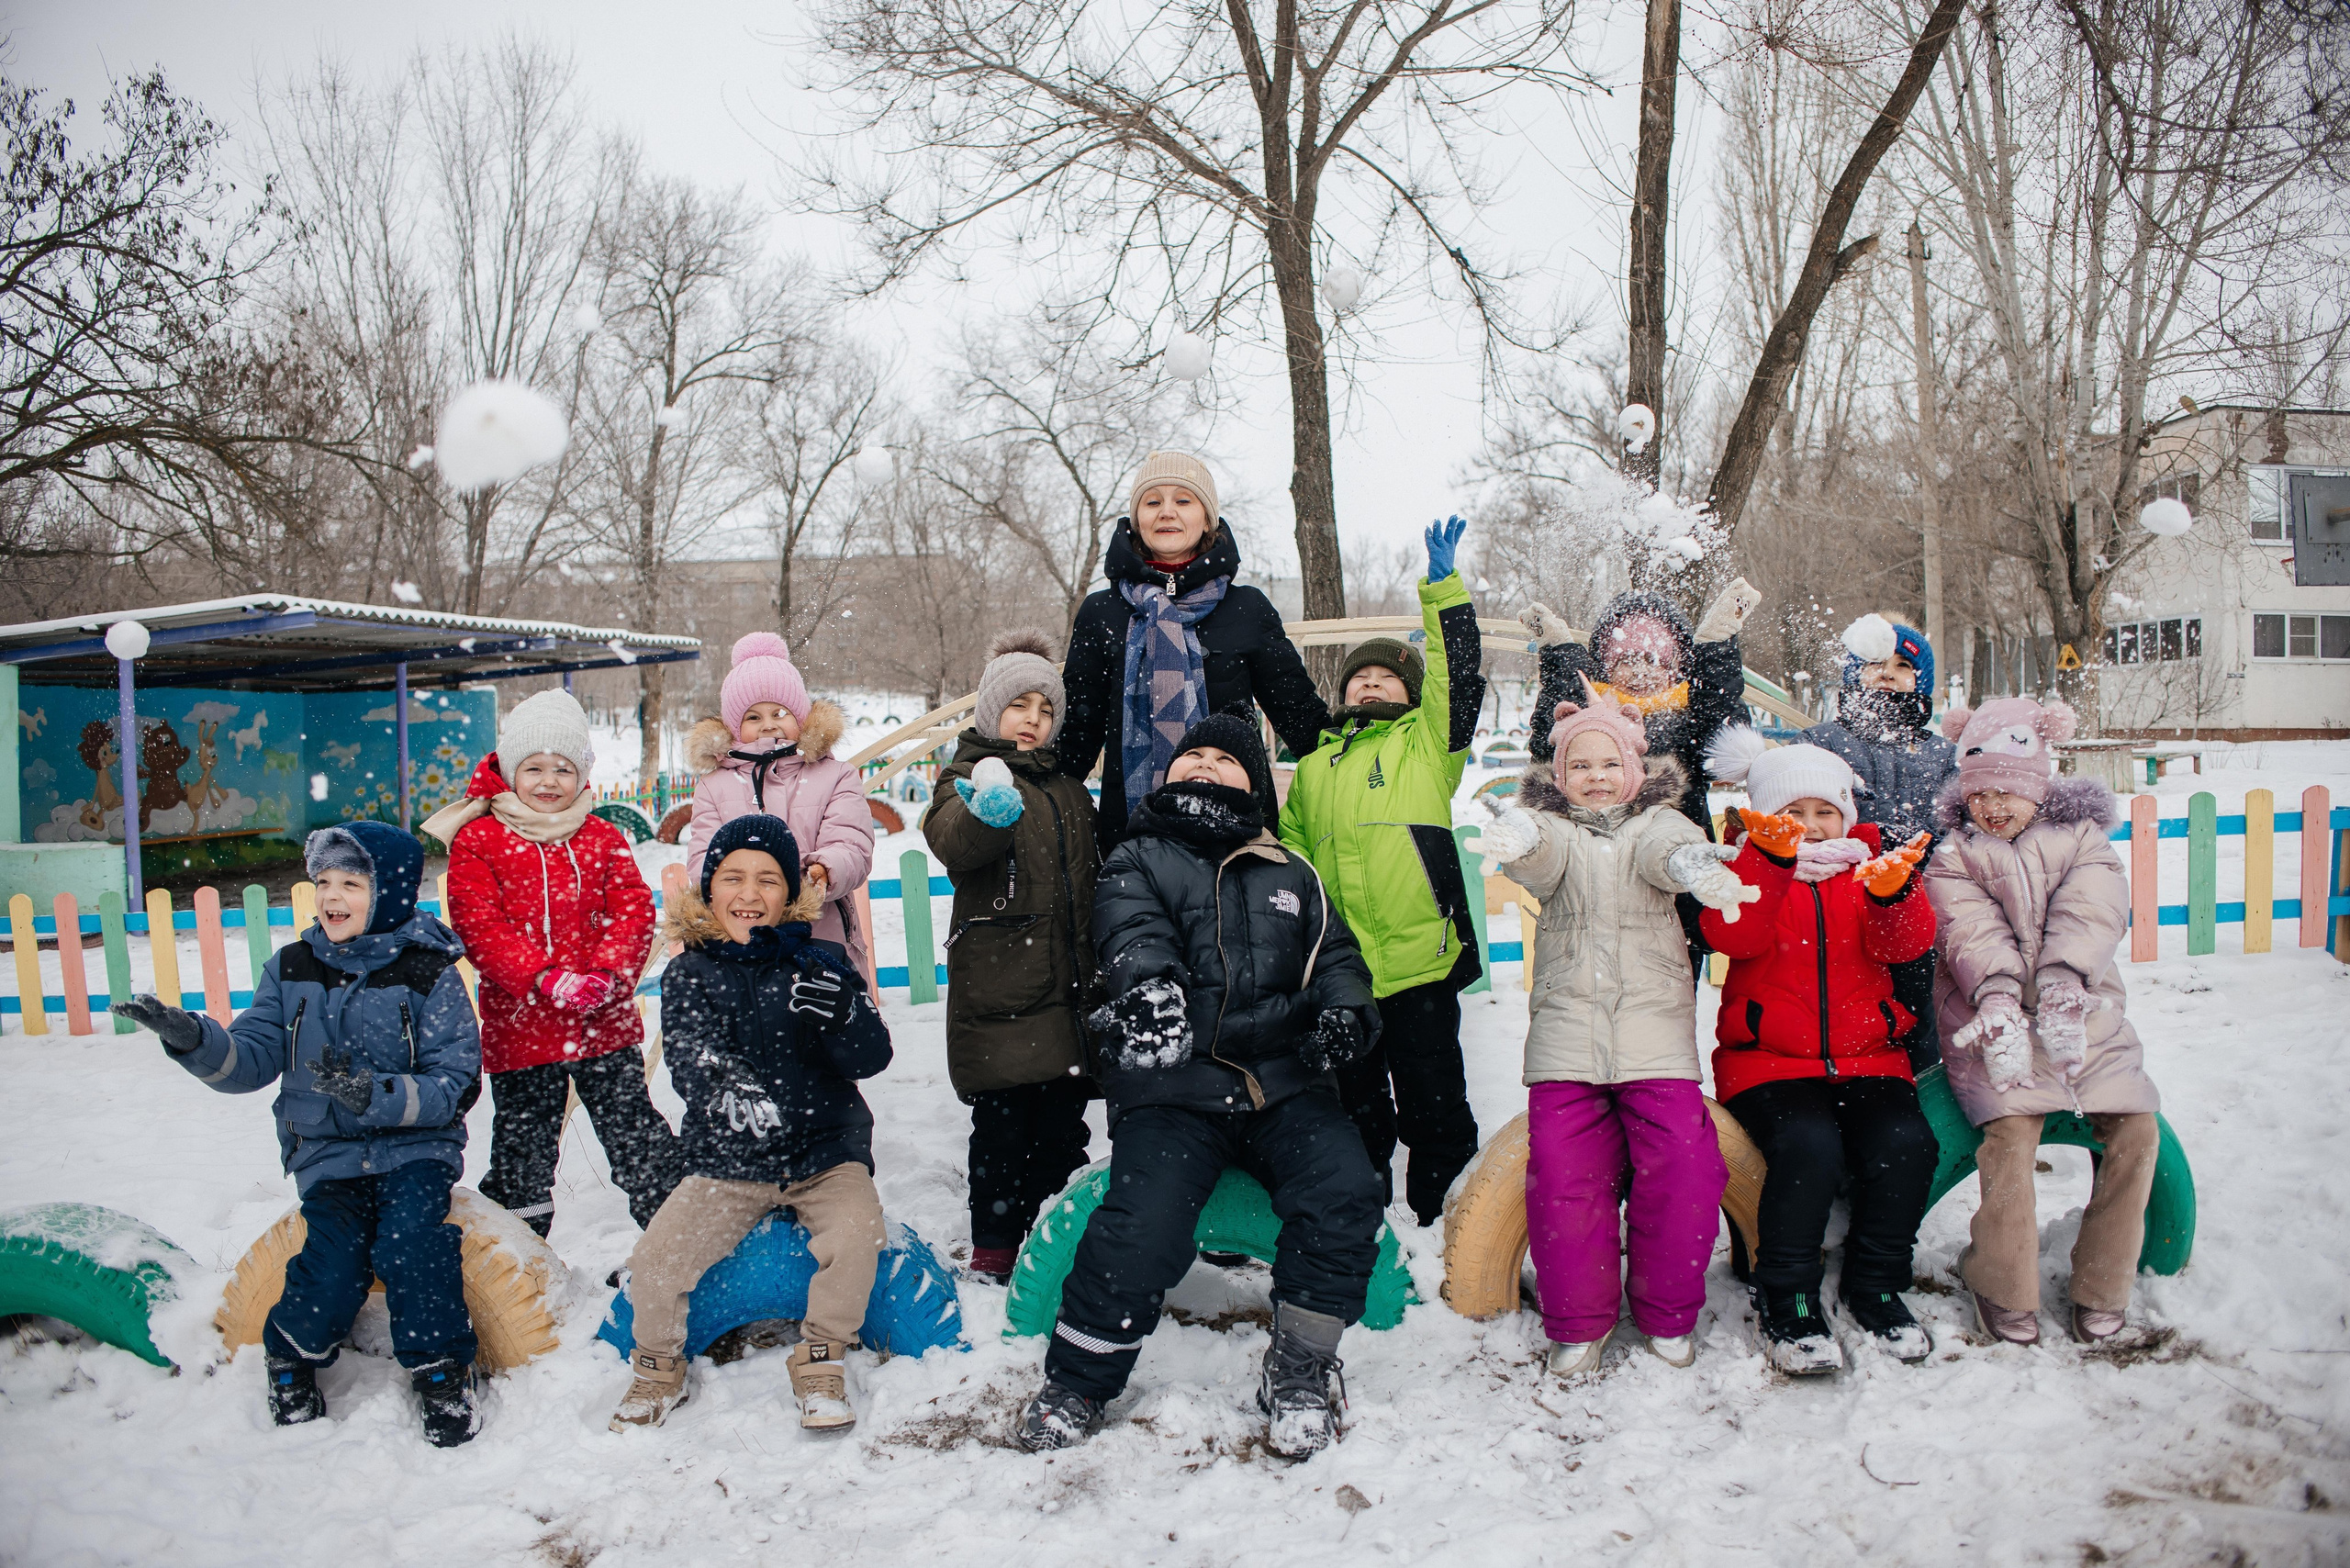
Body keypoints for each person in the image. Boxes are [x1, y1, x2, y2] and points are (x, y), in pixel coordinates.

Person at [1017, 715, 1383, 1459]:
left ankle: (1302, 1370)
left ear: (1256, 782)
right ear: (1169, 775)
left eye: (1227, 759)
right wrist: (1152, 993)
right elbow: (1133, 937)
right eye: (1194, 757)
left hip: (1285, 1087)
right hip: (1177, 1085)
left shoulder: (1292, 871)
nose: (1208, 766)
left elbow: (1337, 956)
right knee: (1142, 1223)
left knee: (1345, 1188)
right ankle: (1079, 1380)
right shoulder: (1139, 856)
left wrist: (1346, 1012)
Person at [112, 823, 484, 1445]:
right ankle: (290, 1356)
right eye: (322, 882)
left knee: (413, 1246)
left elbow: (456, 1079)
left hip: (415, 1150)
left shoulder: (429, 972)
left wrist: (378, 1096)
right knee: (332, 1259)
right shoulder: (292, 969)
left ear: (389, 892)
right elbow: (251, 1059)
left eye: (350, 883)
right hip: (329, 1155)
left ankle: (441, 1371)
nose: (330, 897)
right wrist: (191, 1038)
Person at [1473, 686, 1759, 1377]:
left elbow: (1669, 852)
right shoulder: (1558, 831)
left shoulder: (1656, 822)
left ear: (1632, 770)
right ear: (1560, 775)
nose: (1595, 778)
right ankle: (1579, 1321)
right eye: (1580, 767)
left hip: (1654, 1040)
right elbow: (1541, 861)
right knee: (1565, 1182)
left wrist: (1695, 866)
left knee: (1686, 1169)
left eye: (1608, 765)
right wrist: (1518, 839)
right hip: (1567, 1042)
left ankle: (1667, 1311)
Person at [610, 815, 892, 1434]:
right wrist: (727, 1087)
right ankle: (658, 1369)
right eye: (733, 877)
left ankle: (820, 1360)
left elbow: (871, 1059)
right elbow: (690, 1054)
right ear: (709, 889)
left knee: (857, 1238)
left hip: (825, 1153)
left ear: (790, 893)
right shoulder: (691, 973)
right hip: (729, 1163)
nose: (749, 892)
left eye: (768, 880)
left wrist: (847, 1013)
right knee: (656, 1260)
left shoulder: (821, 961)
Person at [1699, 727, 1940, 1374]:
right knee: (1808, 1146)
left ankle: (1877, 1284)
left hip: (1868, 1057)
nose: (1809, 825)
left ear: (1846, 815)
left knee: (1905, 1144)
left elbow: (1905, 947)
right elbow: (1733, 936)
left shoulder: (1870, 872)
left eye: (1823, 811)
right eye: (1791, 813)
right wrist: (1768, 863)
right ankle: (1790, 1297)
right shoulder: (1742, 867)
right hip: (1766, 1062)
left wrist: (1896, 895)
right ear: (1764, 817)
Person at [1925, 696, 2161, 1347]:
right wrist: (2000, 998)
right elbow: (1969, 933)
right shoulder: (1954, 856)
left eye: (2008, 791)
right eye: (1980, 795)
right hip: (1991, 1025)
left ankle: (2102, 1283)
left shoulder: (2084, 839)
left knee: (2137, 1132)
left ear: (2038, 787)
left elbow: (2095, 907)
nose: (1994, 807)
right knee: (2011, 1136)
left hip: (2082, 1016)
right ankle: (2002, 1282)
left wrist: (2063, 981)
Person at [1278, 515, 1485, 1227]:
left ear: (1409, 693)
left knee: (1437, 1111)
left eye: (1386, 677)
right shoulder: (1312, 767)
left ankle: (1449, 1228)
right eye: (1359, 677)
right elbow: (1292, 861)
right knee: (1355, 1116)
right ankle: (1360, 1233)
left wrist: (1443, 589)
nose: (1370, 685)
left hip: (1420, 965)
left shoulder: (1430, 747)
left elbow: (1459, 675)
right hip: (1343, 976)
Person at [429, 688, 677, 1238]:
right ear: (510, 771)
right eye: (534, 767)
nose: (548, 782)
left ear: (582, 774)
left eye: (563, 769)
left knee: (637, 1137)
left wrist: (610, 976)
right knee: (524, 1150)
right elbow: (480, 926)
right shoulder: (480, 841)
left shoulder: (603, 837)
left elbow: (633, 911)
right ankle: (520, 1256)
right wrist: (546, 979)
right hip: (523, 1030)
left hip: (603, 1024)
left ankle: (676, 1240)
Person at [922, 629, 1101, 1284]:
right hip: (1000, 988)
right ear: (991, 710)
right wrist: (986, 815)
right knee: (1001, 1129)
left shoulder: (1068, 790)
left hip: (1067, 985)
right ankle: (994, 1248)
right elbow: (952, 844)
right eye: (1019, 704)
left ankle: (1054, 1236)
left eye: (1045, 709)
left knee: (1061, 1127)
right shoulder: (964, 777)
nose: (1032, 719)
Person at [1057, 451, 1330, 851]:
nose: (1167, 512)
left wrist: (1364, 753)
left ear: (1207, 519)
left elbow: (1303, 721)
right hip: (1133, 832)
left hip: (1237, 831)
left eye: (1183, 500)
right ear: (1137, 520)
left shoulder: (1247, 608)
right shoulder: (1102, 612)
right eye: (1153, 502)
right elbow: (1078, 735)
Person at [1804, 614, 1959, 1072]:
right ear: (1854, 674)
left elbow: (1948, 824)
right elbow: (1804, 817)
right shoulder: (1822, 743)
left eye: (1902, 666)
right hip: (1837, 911)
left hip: (1913, 911)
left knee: (1917, 1012)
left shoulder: (1941, 754)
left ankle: (1921, 1094)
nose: (1888, 673)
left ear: (1921, 684)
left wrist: (1913, 850)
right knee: (1846, 1009)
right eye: (1876, 663)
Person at [687, 632, 875, 975]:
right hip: (741, 941)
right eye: (753, 717)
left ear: (800, 717)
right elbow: (704, 858)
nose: (768, 725)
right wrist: (742, 887)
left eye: (779, 712)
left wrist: (821, 872)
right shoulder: (714, 787)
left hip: (822, 935)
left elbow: (852, 845)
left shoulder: (835, 776)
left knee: (825, 1022)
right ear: (734, 727)